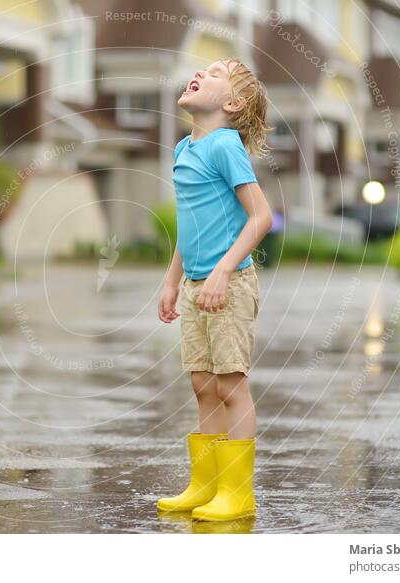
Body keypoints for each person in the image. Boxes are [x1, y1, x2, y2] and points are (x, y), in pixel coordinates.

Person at [156, 58, 273, 522]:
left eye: (216, 73)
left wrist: (224, 272)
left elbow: (260, 217)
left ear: (231, 104)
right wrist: (171, 281)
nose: (200, 72)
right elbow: (191, 226)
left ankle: (237, 493)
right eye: (201, 68)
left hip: (230, 283)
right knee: (203, 385)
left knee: (230, 385)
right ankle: (204, 486)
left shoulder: (225, 146)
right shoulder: (184, 148)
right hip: (195, 285)